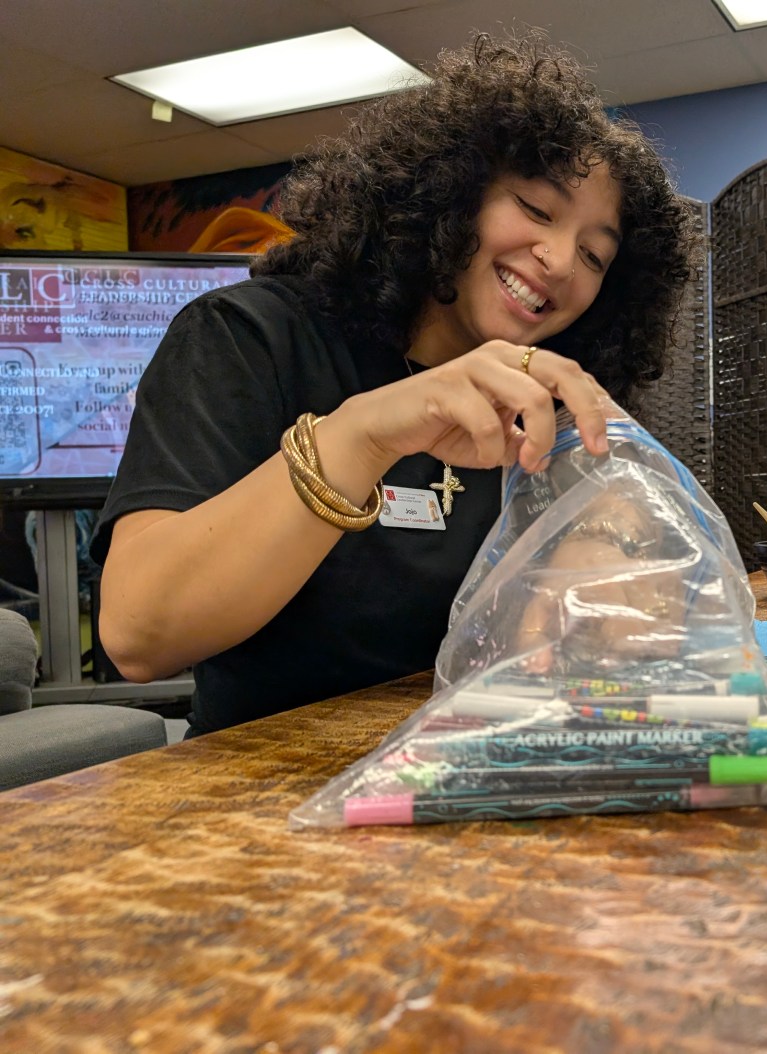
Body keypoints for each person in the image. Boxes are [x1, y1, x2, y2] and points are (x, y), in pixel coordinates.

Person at [91, 32, 695, 737]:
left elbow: (556, 646)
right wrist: (367, 434)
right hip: (265, 803)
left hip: (470, 776)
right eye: (535, 209)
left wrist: (605, 564)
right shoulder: (246, 337)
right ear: (449, 192)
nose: (560, 260)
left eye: (594, 255)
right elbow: (137, 633)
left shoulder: (547, 404)